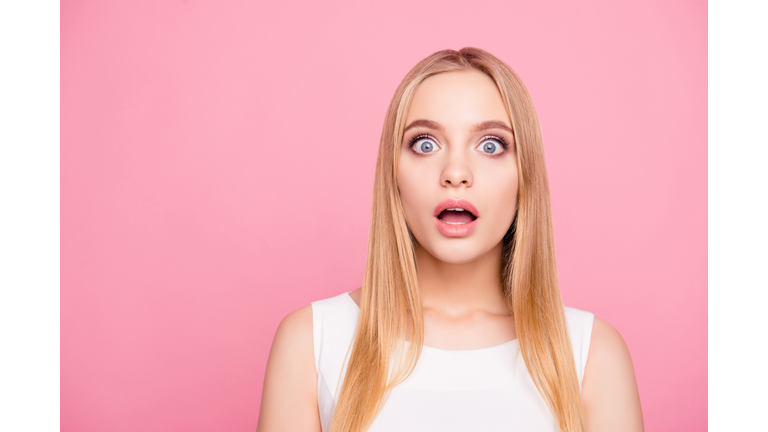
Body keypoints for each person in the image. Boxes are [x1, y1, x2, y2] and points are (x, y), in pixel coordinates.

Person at [256, 48, 644, 432]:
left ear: (525, 176)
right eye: (425, 144)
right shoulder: (311, 342)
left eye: (491, 145)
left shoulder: (592, 355)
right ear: (393, 174)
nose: (456, 173)